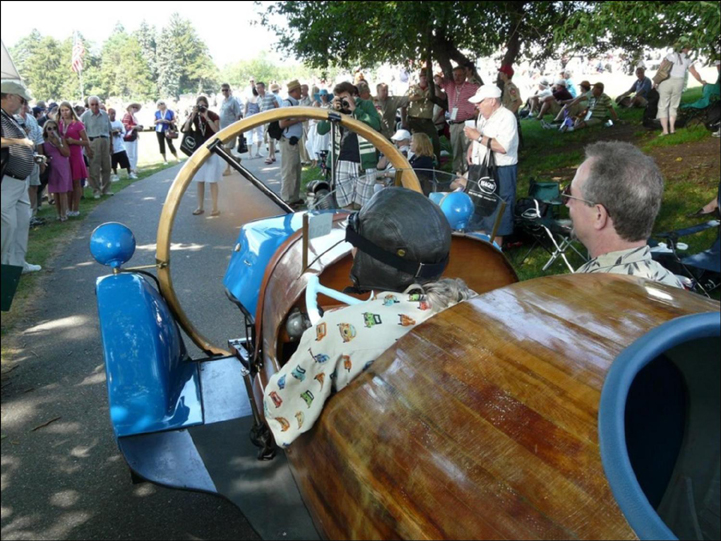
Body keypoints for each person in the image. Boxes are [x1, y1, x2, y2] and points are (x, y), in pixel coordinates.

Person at [262, 187, 474, 446]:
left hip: (374, 448)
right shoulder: (472, 306)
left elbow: (280, 407)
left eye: (356, 243)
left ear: (370, 259)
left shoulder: (336, 332)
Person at [564, 141, 683, 288]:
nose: (567, 203)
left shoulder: (580, 293)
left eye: (570, 195)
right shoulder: (673, 284)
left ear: (599, 215)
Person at [463, 84, 519, 246]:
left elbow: (502, 147)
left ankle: (495, 252)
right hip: (481, 169)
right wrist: (472, 146)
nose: (477, 105)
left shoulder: (507, 117)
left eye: (480, 102)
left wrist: (477, 137)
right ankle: (479, 251)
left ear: (492, 101)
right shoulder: (483, 116)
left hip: (500, 171)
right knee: (478, 210)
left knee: (497, 215)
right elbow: (482, 137)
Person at [317, 82, 382, 210]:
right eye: (339, 98)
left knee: (364, 205)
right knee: (344, 204)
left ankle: (360, 222)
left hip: (364, 162)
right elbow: (321, 129)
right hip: (341, 161)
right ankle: (348, 222)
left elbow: (376, 125)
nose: (342, 101)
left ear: (353, 95)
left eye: (345, 97)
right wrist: (332, 110)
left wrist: (356, 110)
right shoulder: (334, 108)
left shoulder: (366, 105)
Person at [1, 81, 42, 273]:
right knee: (7, 224)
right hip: (6, 180)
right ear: (9, 96)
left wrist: (32, 156)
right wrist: (20, 141)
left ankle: (18, 264)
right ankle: (5, 266)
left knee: (22, 220)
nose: (23, 104)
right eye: (21, 99)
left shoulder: (9, 117)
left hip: (19, 180)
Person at [655, 44, 707, 135]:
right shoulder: (687, 59)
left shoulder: (670, 56)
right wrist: (701, 81)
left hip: (666, 81)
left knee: (663, 106)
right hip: (679, 82)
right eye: (688, 48)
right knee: (674, 106)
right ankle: (672, 129)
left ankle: (665, 131)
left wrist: (655, 81)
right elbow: (694, 72)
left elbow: (661, 67)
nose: (689, 50)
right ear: (684, 48)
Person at [182, 96, 222, 216]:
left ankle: (215, 207)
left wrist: (206, 117)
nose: (202, 108)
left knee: (212, 180)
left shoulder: (213, 115)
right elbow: (186, 129)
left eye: (204, 105)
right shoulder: (194, 116)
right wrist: (193, 115)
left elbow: (217, 131)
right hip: (199, 149)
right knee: (200, 180)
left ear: (207, 106)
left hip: (212, 149)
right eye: (200, 105)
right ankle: (200, 206)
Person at [439, 66, 480, 175]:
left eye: (460, 75)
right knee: (456, 150)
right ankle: (457, 173)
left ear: (465, 75)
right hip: (454, 124)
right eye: (455, 75)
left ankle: (468, 173)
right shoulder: (450, 86)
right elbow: (438, 81)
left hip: (467, 123)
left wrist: (476, 110)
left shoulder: (472, 87)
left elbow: (481, 98)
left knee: (467, 149)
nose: (457, 78)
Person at [58, 101, 89, 217]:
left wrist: (74, 141)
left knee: (76, 183)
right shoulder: (59, 124)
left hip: (76, 156)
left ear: (71, 110)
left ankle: (76, 208)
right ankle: (68, 208)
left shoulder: (78, 124)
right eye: (62, 110)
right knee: (68, 183)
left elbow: (86, 141)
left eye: (66, 110)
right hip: (64, 156)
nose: (64, 113)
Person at [15, 101, 44, 224]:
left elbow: (39, 140)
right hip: (20, 157)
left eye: (25, 103)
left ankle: (32, 215)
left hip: (34, 155)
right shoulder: (12, 119)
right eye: (21, 103)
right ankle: (24, 217)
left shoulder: (32, 119)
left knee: (34, 185)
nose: (24, 106)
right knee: (23, 188)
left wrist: (41, 159)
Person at [80, 96, 114, 198]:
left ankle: (106, 189)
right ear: (89, 105)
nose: (95, 106)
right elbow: (82, 134)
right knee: (94, 168)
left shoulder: (104, 114)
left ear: (99, 104)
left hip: (105, 140)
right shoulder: (85, 116)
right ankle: (96, 190)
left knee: (107, 167)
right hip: (92, 142)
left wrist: (111, 144)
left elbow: (110, 130)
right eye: (92, 104)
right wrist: (87, 148)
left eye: (96, 104)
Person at [278, 80, 304, 207]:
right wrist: (299, 119)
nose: (301, 93)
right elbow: (282, 123)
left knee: (296, 170)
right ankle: (287, 199)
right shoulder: (287, 104)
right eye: (299, 90)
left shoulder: (294, 103)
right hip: (288, 141)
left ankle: (294, 197)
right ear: (294, 91)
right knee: (288, 171)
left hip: (293, 141)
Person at [407, 69, 441, 165]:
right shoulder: (413, 88)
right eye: (423, 76)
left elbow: (439, 95)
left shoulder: (432, 88)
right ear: (419, 77)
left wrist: (433, 85)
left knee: (434, 140)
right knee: (416, 142)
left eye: (427, 76)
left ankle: (435, 162)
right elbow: (405, 102)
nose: (424, 78)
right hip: (414, 119)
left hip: (427, 120)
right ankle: (415, 163)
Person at [41, 120, 72, 221]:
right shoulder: (43, 142)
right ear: (45, 130)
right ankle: (59, 213)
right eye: (49, 128)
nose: (52, 131)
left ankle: (64, 213)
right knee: (56, 191)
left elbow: (67, 153)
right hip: (52, 167)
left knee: (63, 191)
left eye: (54, 128)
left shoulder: (61, 139)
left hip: (62, 165)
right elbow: (42, 155)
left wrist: (58, 144)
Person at [219, 83, 243, 176]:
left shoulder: (233, 101)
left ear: (229, 90)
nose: (225, 92)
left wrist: (235, 126)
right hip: (223, 129)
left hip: (231, 128)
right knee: (225, 149)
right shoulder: (223, 101)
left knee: (227, 148)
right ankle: (235, 159)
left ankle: (228, 168)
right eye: (223, 90)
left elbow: (238, 114)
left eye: (226, 90)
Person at [257, 82, 279, 164]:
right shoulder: (258, 99)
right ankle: (273, 155)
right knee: (267, 139)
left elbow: (277, 106)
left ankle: (269, 156)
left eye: (259, 87)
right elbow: (260, 110)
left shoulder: (271, 96)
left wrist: (277, 117)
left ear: (263, 88)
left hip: (272, 120)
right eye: (257, 88)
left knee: (270, 139)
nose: (258, 89)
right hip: (265, 121)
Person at [108, 108, 132, 181]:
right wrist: (112, 133)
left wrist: (119, 133)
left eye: (114, 113)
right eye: (111, 113)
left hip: (120, 145)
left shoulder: (119, 122)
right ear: (108, 114)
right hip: (112, 145)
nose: (113, 115)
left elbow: (123, 132)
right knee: (113, 162)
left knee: (125, 159)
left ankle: (129, 173)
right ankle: (115, 175)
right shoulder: (107, 123)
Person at [121, 103, 143, 179]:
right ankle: (131, 171)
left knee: (135, 155)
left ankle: (134, 169)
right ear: (129, 108)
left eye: (136, 107)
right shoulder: (127, 115)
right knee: (130, 155)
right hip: (128, 137)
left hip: (134, 136)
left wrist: (137, 129)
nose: (134, 109)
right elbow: (124, 126)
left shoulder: (134, 117)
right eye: (133, 107)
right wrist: (134, 127)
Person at [244, 86, 263, 158]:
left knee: (249, 135)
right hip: (257, 118)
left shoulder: (248, 99)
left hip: (248, 118)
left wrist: (244, 119)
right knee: (259, 134)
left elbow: (245, 111)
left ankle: (250, 154)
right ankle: (258, 151)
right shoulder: (259, 99)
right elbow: (261, 110)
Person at [298, 83, 313, 166]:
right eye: (301, 89)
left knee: (307, 140)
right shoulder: (299, 100)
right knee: (301, 141)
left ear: (307, 90)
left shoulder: (310, 100)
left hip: (307, 121)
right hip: (300, 122)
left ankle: (309, 158)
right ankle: (303, 158)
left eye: (303, 89)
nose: (302, 91)